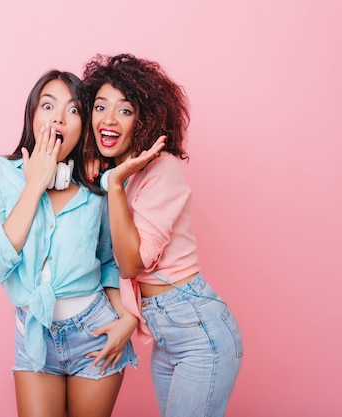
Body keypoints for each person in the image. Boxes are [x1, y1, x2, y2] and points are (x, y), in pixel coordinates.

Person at [79, 54, 243, 417]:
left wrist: (115, 185)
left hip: (198, 329)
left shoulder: (161, 168)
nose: (108, 118)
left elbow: (132, 262)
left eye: (124, 110)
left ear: (145, 118)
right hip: (166, 336)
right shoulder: (115, 172)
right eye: (100, 107)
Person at [0, 70, 138, 417]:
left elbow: (109, 262)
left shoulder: (96, 187)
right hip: (34, 335)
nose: (59, 116)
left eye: (74, 110)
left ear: (84, 125)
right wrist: (35, 185)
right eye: (48, 105)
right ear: (32, 115)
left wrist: (127, 318)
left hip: (94, 332)